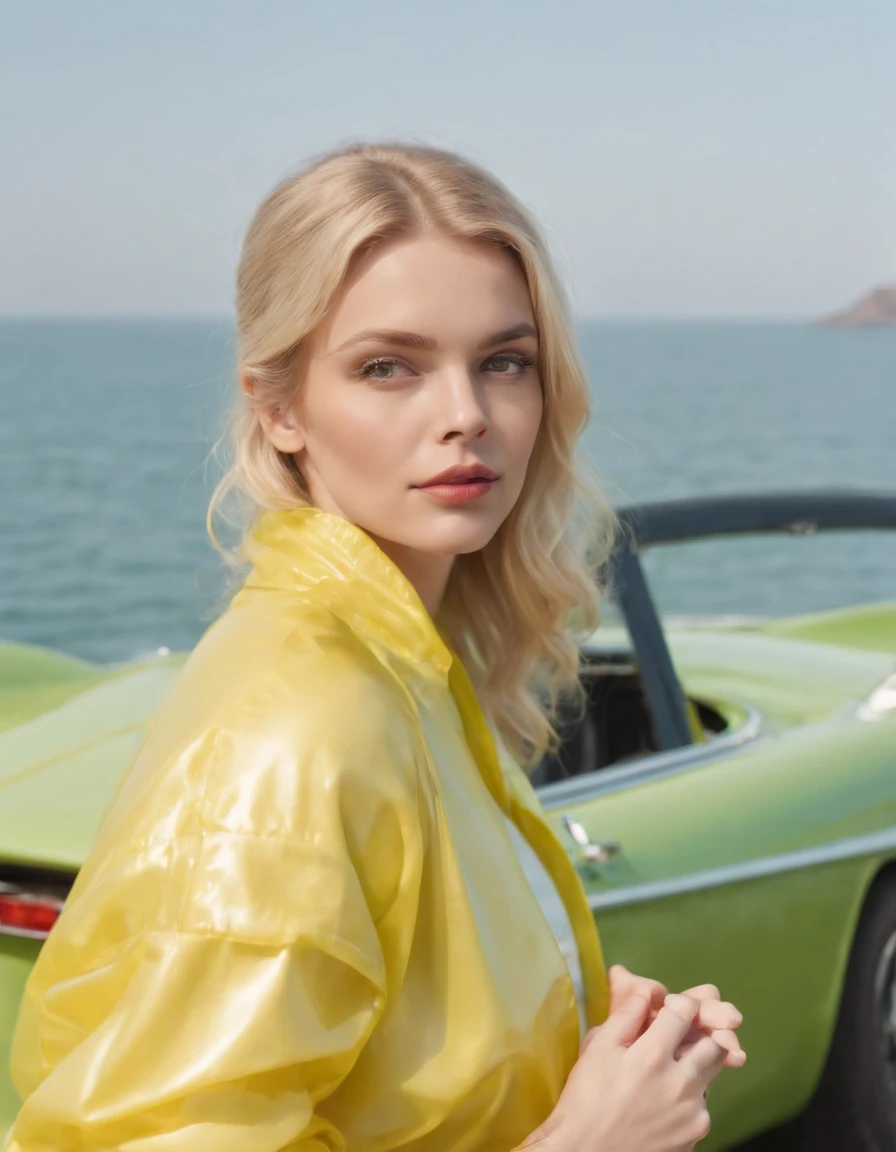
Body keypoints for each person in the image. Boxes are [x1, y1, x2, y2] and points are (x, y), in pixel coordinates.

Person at [4, 142, 744, 1152]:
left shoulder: (406, 667)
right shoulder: (303, 723)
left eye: (503, 362)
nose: (466, 417)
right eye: (387, 367)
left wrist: (585, 1058)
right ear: (279, 406)